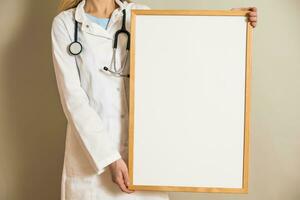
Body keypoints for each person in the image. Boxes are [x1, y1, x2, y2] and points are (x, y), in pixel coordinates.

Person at [50, 0, 258, 199]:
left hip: (145, 157)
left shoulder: (140, 15)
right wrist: (110, 159)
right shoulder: (66, 24)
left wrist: (231, 24)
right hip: (93, 162)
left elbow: (186, 53)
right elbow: (73, 99)